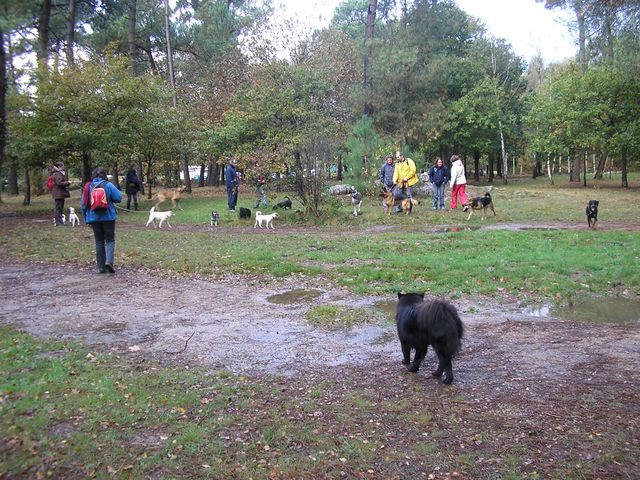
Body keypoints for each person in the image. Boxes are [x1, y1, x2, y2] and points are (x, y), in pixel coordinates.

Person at [81, 167, 122, 274]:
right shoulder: (108, 185)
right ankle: (109, 261)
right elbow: (119, 197)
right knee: (110, 240)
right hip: (108, 217)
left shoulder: (88, 186)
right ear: (104, 175)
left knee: (99, 241)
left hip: (94, 218)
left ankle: (101, 267)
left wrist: (86, 219)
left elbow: (83, 205)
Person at [50, 161, 71, 226]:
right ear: (59, 167)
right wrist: (67, 182)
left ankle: (60, 222)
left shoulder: (58, 173)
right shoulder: (57, 174)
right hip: (58, 194)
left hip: (59, 194)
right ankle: (59, 223)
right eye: (62, 166)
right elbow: (59, 183)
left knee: (59, 208)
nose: (63, 167)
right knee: (58, 209)